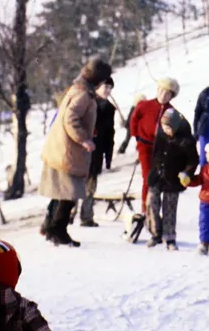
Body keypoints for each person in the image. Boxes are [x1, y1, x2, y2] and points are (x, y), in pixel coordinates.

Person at [38, 57, 113, 248]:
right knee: (69, 194)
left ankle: (51, 228)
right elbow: (71, 119)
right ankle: (58, 231)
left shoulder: (76, 89)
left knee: (63, 192)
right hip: (69, 152)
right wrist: (84, 139)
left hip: (61, 149)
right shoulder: (84, 95)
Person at [125, 77, 180, 214]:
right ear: (157, 90)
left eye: (168, 94)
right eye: (162, 91)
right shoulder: (145, 105)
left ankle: (154, 208)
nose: (163, 95)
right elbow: (134, 118)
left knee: (157, 179)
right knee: (148, 177)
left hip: (160, 149)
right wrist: (136, 135)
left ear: (171, 96)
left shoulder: (172, 112)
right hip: (145, 146)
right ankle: (146, 209)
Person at [146, 107, 199, 249]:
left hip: (174, 177)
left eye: (168, 128)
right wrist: (154, 168)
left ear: (175, 127)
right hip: (157, 174)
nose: (166, 130)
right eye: (163, 127)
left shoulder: (186, 140)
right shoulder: (161, 133)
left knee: (169, 207)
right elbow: (155, 152)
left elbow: (193, 160)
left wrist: (187, 173)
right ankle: (155, 233)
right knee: (151, 202)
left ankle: (169, 238)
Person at [80, 77, 118, 228]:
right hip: (82, 150)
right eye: (105, 87)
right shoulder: (87, 102)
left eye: (110, 88)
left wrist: (108, 157)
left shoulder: (109, 108)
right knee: (74, 185)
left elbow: (110, 134)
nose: (107, 91)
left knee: (90, 186)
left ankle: (86, 216)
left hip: (97, 152)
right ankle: (66, 216)